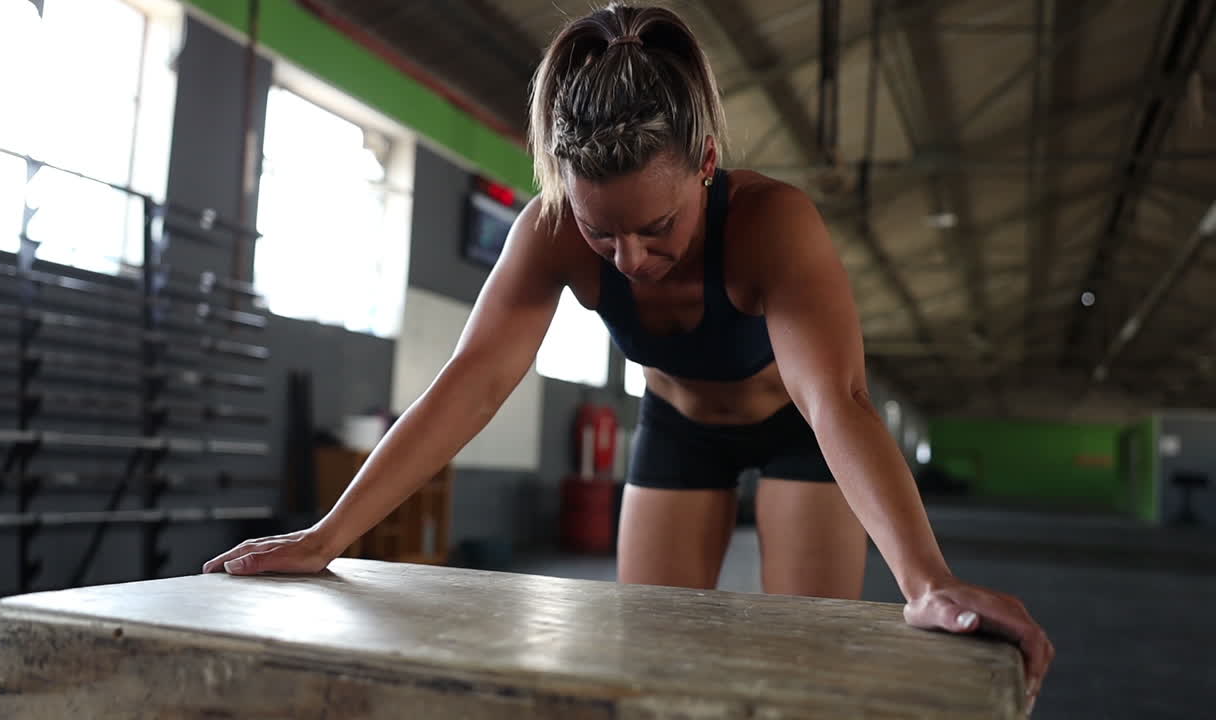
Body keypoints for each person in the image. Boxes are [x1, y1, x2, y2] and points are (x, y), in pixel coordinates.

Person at [204, 3, 1052, 713]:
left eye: (658, 229)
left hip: (798, 430)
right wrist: (327, 535)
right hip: (678, 429)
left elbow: (838, 398)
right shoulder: (546, 234)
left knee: (809, 666)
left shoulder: (773, 224)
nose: (632, 258)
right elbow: (474, 381)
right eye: (601, 230)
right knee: (643, 665)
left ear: (706, 166)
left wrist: (927, 578)